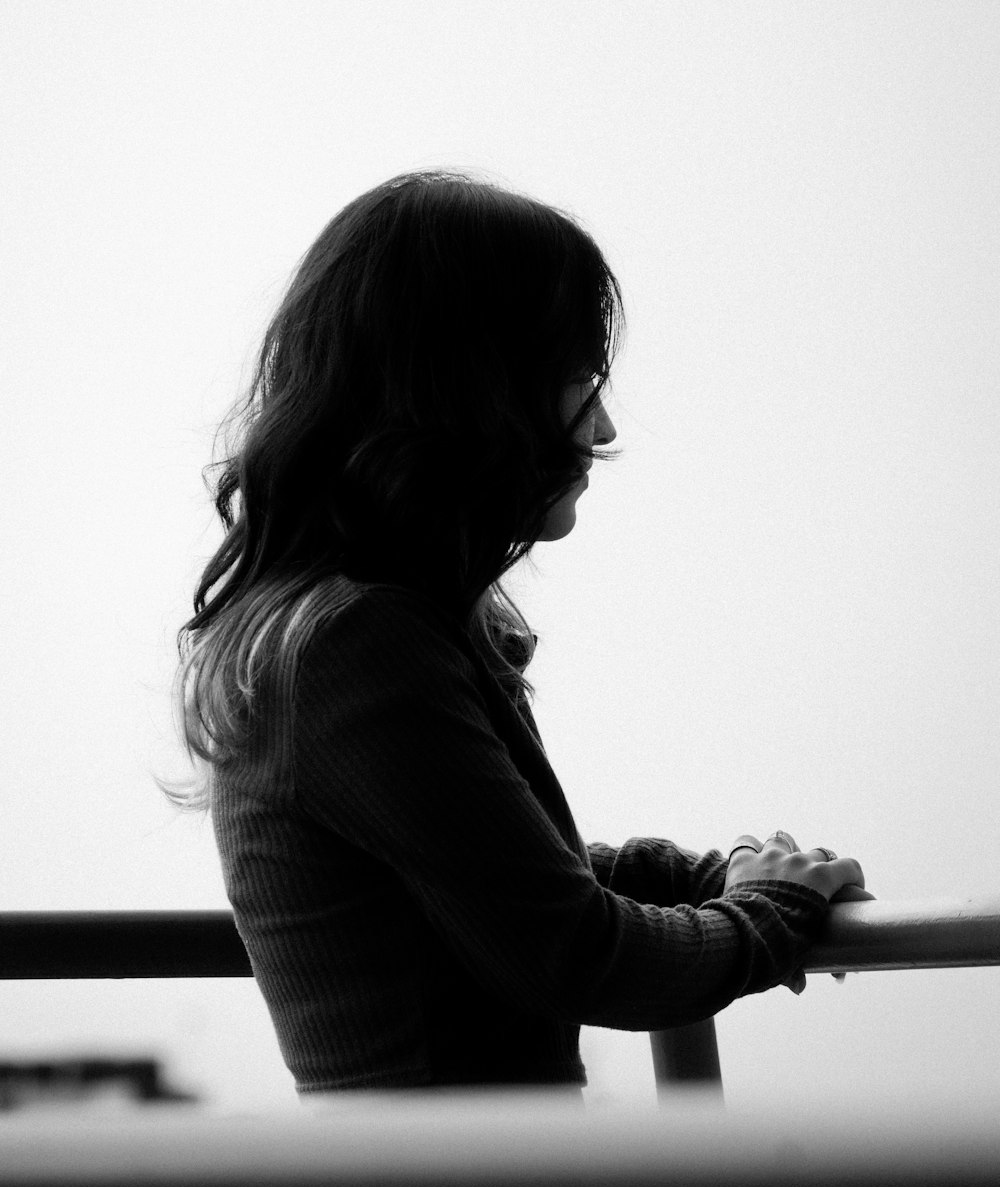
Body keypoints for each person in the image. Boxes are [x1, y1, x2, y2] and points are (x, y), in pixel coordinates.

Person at [162, 168, 870, 1096]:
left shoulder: (343, 628)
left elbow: (503, 876)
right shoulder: (356, 645)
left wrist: (718, 874)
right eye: (577, 380)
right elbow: (583, 957)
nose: (604, 427)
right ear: (466, 391)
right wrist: (776, 907)